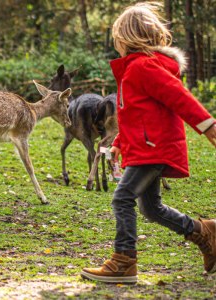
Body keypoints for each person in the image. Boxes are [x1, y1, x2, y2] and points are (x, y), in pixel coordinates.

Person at [80, 2, 216, 284]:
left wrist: (208, 125)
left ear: (126, 38)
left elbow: (179, 97)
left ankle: (123, 262)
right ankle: (204, 232)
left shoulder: (144, 66)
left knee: (122, 198)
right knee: (151, 208)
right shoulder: (135, 68)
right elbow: (135, 113)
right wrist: (119, 140)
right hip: (146, 145)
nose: (115, 42)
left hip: (153, 147)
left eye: (117, 37)